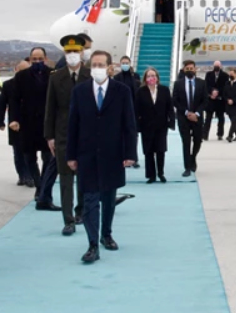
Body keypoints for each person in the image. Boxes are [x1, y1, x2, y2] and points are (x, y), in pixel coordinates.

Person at [67, 51, 138, 264]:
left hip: (113, 154)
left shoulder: (122, 91)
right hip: (86, 154)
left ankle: (106, 234)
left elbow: (129, 124)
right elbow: (73, 124)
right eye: (93, 64)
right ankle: (92, 245)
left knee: (108, 199)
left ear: (109, 67)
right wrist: (71, 154)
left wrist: (130, 153)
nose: (96, 68)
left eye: (101, 64)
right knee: (89, 200)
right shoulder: (79, 91)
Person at [44, 36, 91, 235]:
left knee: (83, 177)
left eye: (76, 51)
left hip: (86, 133)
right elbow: (50, 108)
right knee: (65, 178)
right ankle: (68, 219)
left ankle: (81, 212)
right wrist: (50, 136)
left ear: (81, 53)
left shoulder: (90, 75)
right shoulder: (56, 77)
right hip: (63, 134)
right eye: (68, 52)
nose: (72, 55)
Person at [9, 47, 60, 211]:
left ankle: (44, 187)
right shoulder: (21, 76)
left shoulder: (53, 74)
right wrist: (14, 119)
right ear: (30, 59)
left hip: (47, 123)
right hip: (27, 122)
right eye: (34, 59)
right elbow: (15, 100)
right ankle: (39, 185)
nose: (37, 61)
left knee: (48, 157)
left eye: (40, 58)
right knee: (29, 157)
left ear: (45, 58)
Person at [136, 67, 174, 182]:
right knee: (148, 151)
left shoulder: (164, 90)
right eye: (149, 76)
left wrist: (171, 122)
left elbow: (170, 108)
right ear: (145, 78)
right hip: (146, 125)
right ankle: (151, 175)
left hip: (161, 125)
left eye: (153, 75)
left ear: (157, 78)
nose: (151, 78)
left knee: (160, 150)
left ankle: (161, 173)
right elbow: (136, 109)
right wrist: (137, 125)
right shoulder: (140, 92)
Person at [0, 60, 32, 187]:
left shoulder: (34, 84)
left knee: (29, 151)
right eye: (21, 70)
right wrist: (0, 121)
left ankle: (30, 175)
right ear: (16, 70)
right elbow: (2, 103)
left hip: (31, 123)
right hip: (15, 122)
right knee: (18, 151)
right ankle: (22, 175)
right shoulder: (8, 85)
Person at [171, 60, 207, 178]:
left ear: (195, 69)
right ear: (184, 70)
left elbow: (205, 101)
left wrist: (196, 113)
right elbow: (175, 100)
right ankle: (187, 167)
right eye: (188, 68)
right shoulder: (178, 84)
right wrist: (187, 113)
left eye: (192, 68)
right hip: (184, 117)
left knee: (198, 140)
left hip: (197, 117)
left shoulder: (201, 83)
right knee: (186, 143)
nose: (190, 70)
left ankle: (193, 158)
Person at [204, 61, 229, 141]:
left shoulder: (225, 75)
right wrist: (212, 92)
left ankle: (220, 134)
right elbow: (206, 85)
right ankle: (205, 135)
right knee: (208, 119)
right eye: (215, 65)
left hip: (220, 100)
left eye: (218, 65)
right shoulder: (208, 74)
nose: (216, 67)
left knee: (221, 119)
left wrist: (217, 93)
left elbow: (225, 87)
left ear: (221, 66)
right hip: (210, 100)